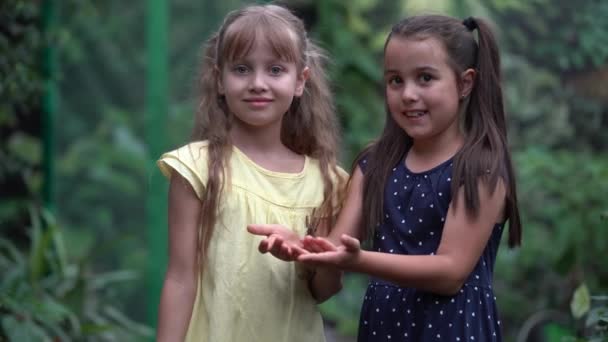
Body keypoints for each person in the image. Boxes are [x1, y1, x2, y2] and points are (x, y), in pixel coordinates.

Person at [249, 14, 522, 341]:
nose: (407, 94)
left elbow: (450, 272)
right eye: (395, 80)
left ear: (465, 83)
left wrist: (359, 260)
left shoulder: (479, 167)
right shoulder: (375, 165)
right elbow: (330, 264)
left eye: (425, 78)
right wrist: (305, 250)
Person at [155, 4, 347, 342]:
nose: (258, 83)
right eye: (242, 69)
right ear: (219, 79)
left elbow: (324, 290)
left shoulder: (325, 182)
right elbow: (180, 279)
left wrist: (316, 256)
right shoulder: (196, 168)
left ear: (300, 80)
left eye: (275, 70)